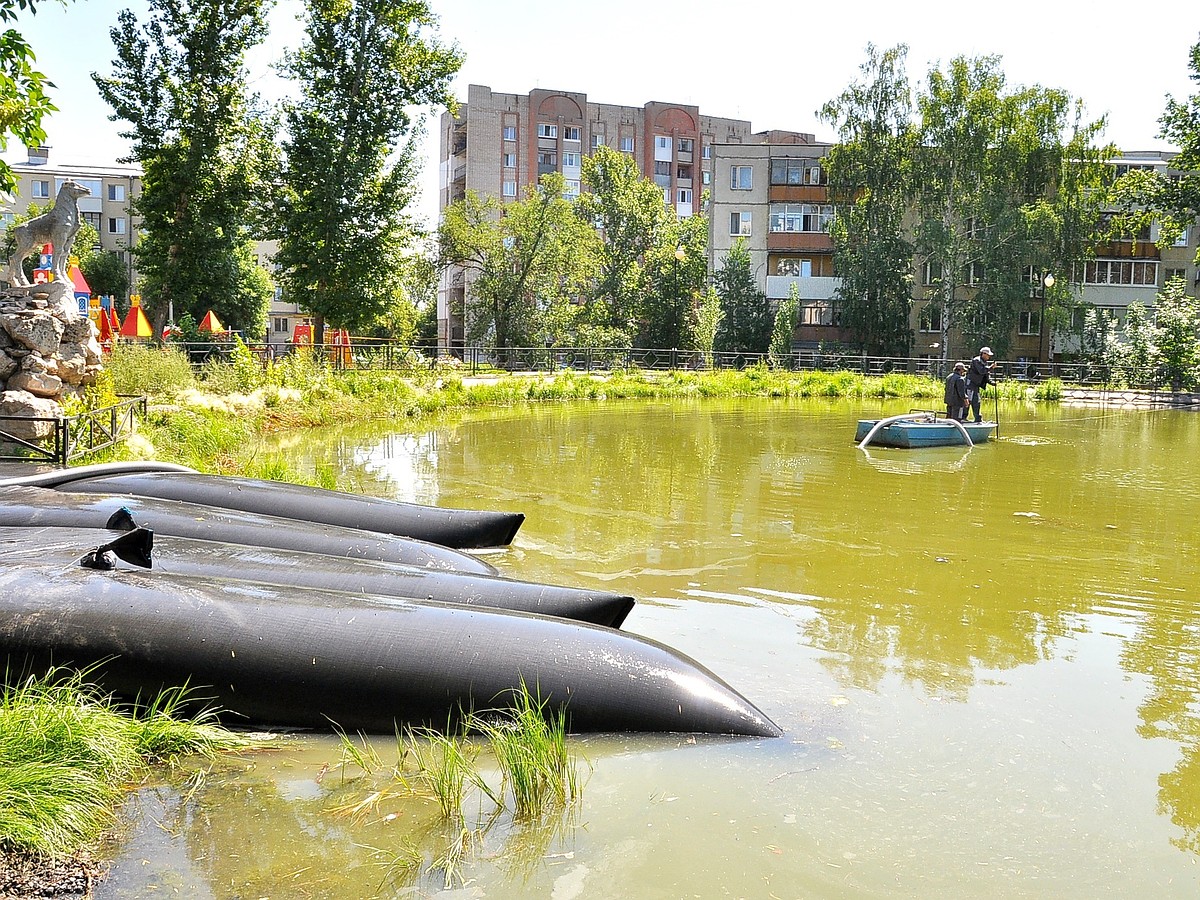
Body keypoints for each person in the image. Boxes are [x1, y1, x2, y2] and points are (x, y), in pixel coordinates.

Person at [965, 346, 996, 423]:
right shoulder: (976, 360)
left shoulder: (984, 363)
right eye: (988, 355)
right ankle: (963, 418)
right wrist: (991, 368)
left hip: (975, 386)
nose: (989, 356)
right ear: (983, 354)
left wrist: (991, 382)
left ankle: (978, 419)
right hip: (970, 385)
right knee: (968, 401)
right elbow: (981, 371)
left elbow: (986, 375)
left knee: (976, 402)